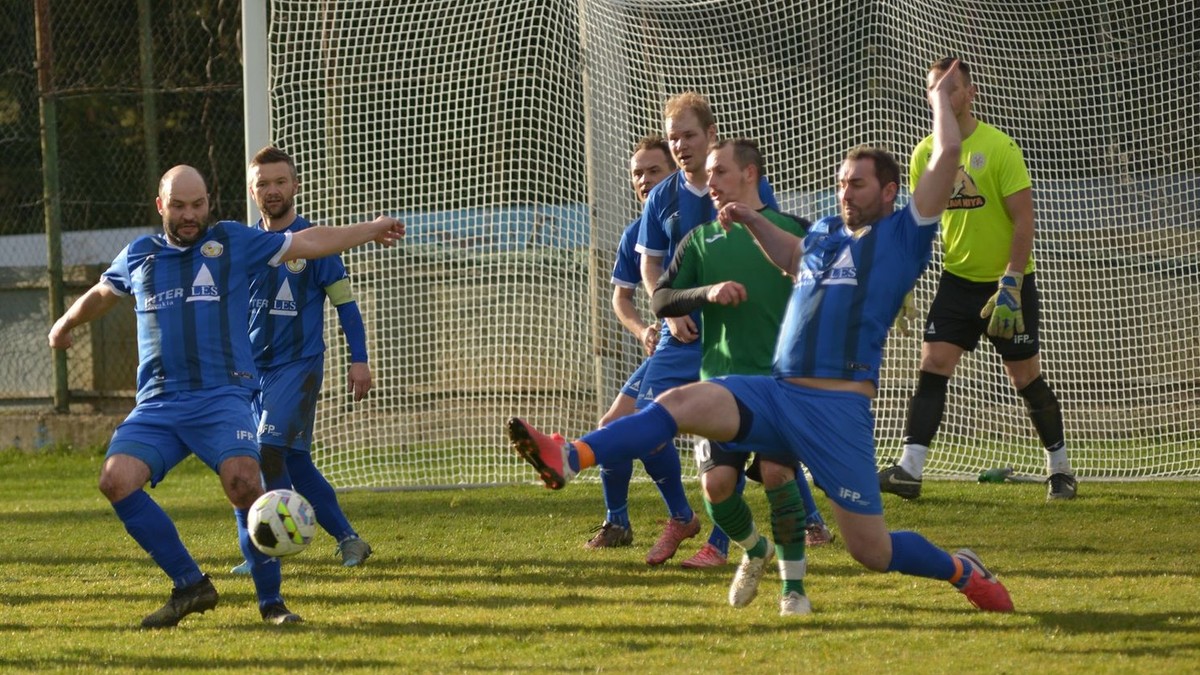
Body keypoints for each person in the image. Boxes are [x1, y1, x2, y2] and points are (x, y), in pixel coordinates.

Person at [506, 60, 1015, 616]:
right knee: (676, 403)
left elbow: (946, 154)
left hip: (836, 410)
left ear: (890, 190)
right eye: (841, 183)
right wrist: (751, 220)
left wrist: (938, 97)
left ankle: (962, 570)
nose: (845, 192)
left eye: (858, 183)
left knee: (872, 551)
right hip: (777, 392)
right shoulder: (825, 232)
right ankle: (569, 456)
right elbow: (793, 257)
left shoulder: (903, 235)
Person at [47, 165, 403, 627]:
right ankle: (190, 586)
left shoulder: (232, 241)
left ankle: (272, 605)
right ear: (161, 206)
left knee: (244, 481)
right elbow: (104, 292)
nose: (189, 215)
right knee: (115, 480)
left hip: (221, 397)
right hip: (158, 403)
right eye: (179, 206)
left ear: (208, 203)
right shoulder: (138, 254)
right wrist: (66, 323)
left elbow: (309, 241)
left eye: (198, 205)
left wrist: (371, 229)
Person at [878, 57, 1077, 502]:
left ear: (971, 94)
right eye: (934, 89)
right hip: (956, 283)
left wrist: (1011, 282)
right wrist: (904, 280)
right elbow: (920, 224)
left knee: (1024, 377)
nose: (942, 96)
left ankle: (1061, 470)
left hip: (1008, 285)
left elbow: (1024, 220)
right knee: (933, 364)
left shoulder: (1000, 147)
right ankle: (910, 470)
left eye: (950, 88)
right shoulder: (924, 153)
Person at [650, 137, 829, 612]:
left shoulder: (793, 231)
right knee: (716, 488)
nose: (710, 182)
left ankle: (793, 590)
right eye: (708, 174)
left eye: (720, 172)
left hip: (780, 385)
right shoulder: (700, 239)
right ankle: (754, 549)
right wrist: (705, 293)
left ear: (750, 174)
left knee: (777, 474)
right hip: (721, 386)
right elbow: (661, 299)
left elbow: (830, 285)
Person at [631, 92, 782, 567]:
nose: (680, 145)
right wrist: (669, 312)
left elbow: (775, 249)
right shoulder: (662, 196)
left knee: (738, 441)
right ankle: (681, 515)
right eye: (673, 138)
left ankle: (722, 543)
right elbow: (650, 267)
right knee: (644, 426)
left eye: (689, 135)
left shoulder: (746, 186)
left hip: (732, 335)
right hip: (681, 335)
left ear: (711, 135)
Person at [227, 146, 373, 576]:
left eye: (280, 181)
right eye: (262, 184)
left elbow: (346, 306)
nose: (272, 190)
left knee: (267, 450)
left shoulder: (316, 242)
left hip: (298, 365)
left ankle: (269, 548)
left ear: (296, 185)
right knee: (291, 461)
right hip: (250, 372)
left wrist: (359, 359)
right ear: (252, 191)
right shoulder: (245, 245)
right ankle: (348, 539)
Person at [584, 135, 693, 551]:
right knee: (614, 427)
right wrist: (642, 329)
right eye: (637, 174)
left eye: (654, 171)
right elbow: (621, 297)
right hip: (668, 345)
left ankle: (809, 521)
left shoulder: (693, 218)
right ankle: (618, 522)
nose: (644, 180)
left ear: (674, 173)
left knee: (753, 438)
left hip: (708, 342)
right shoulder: (634, 234)